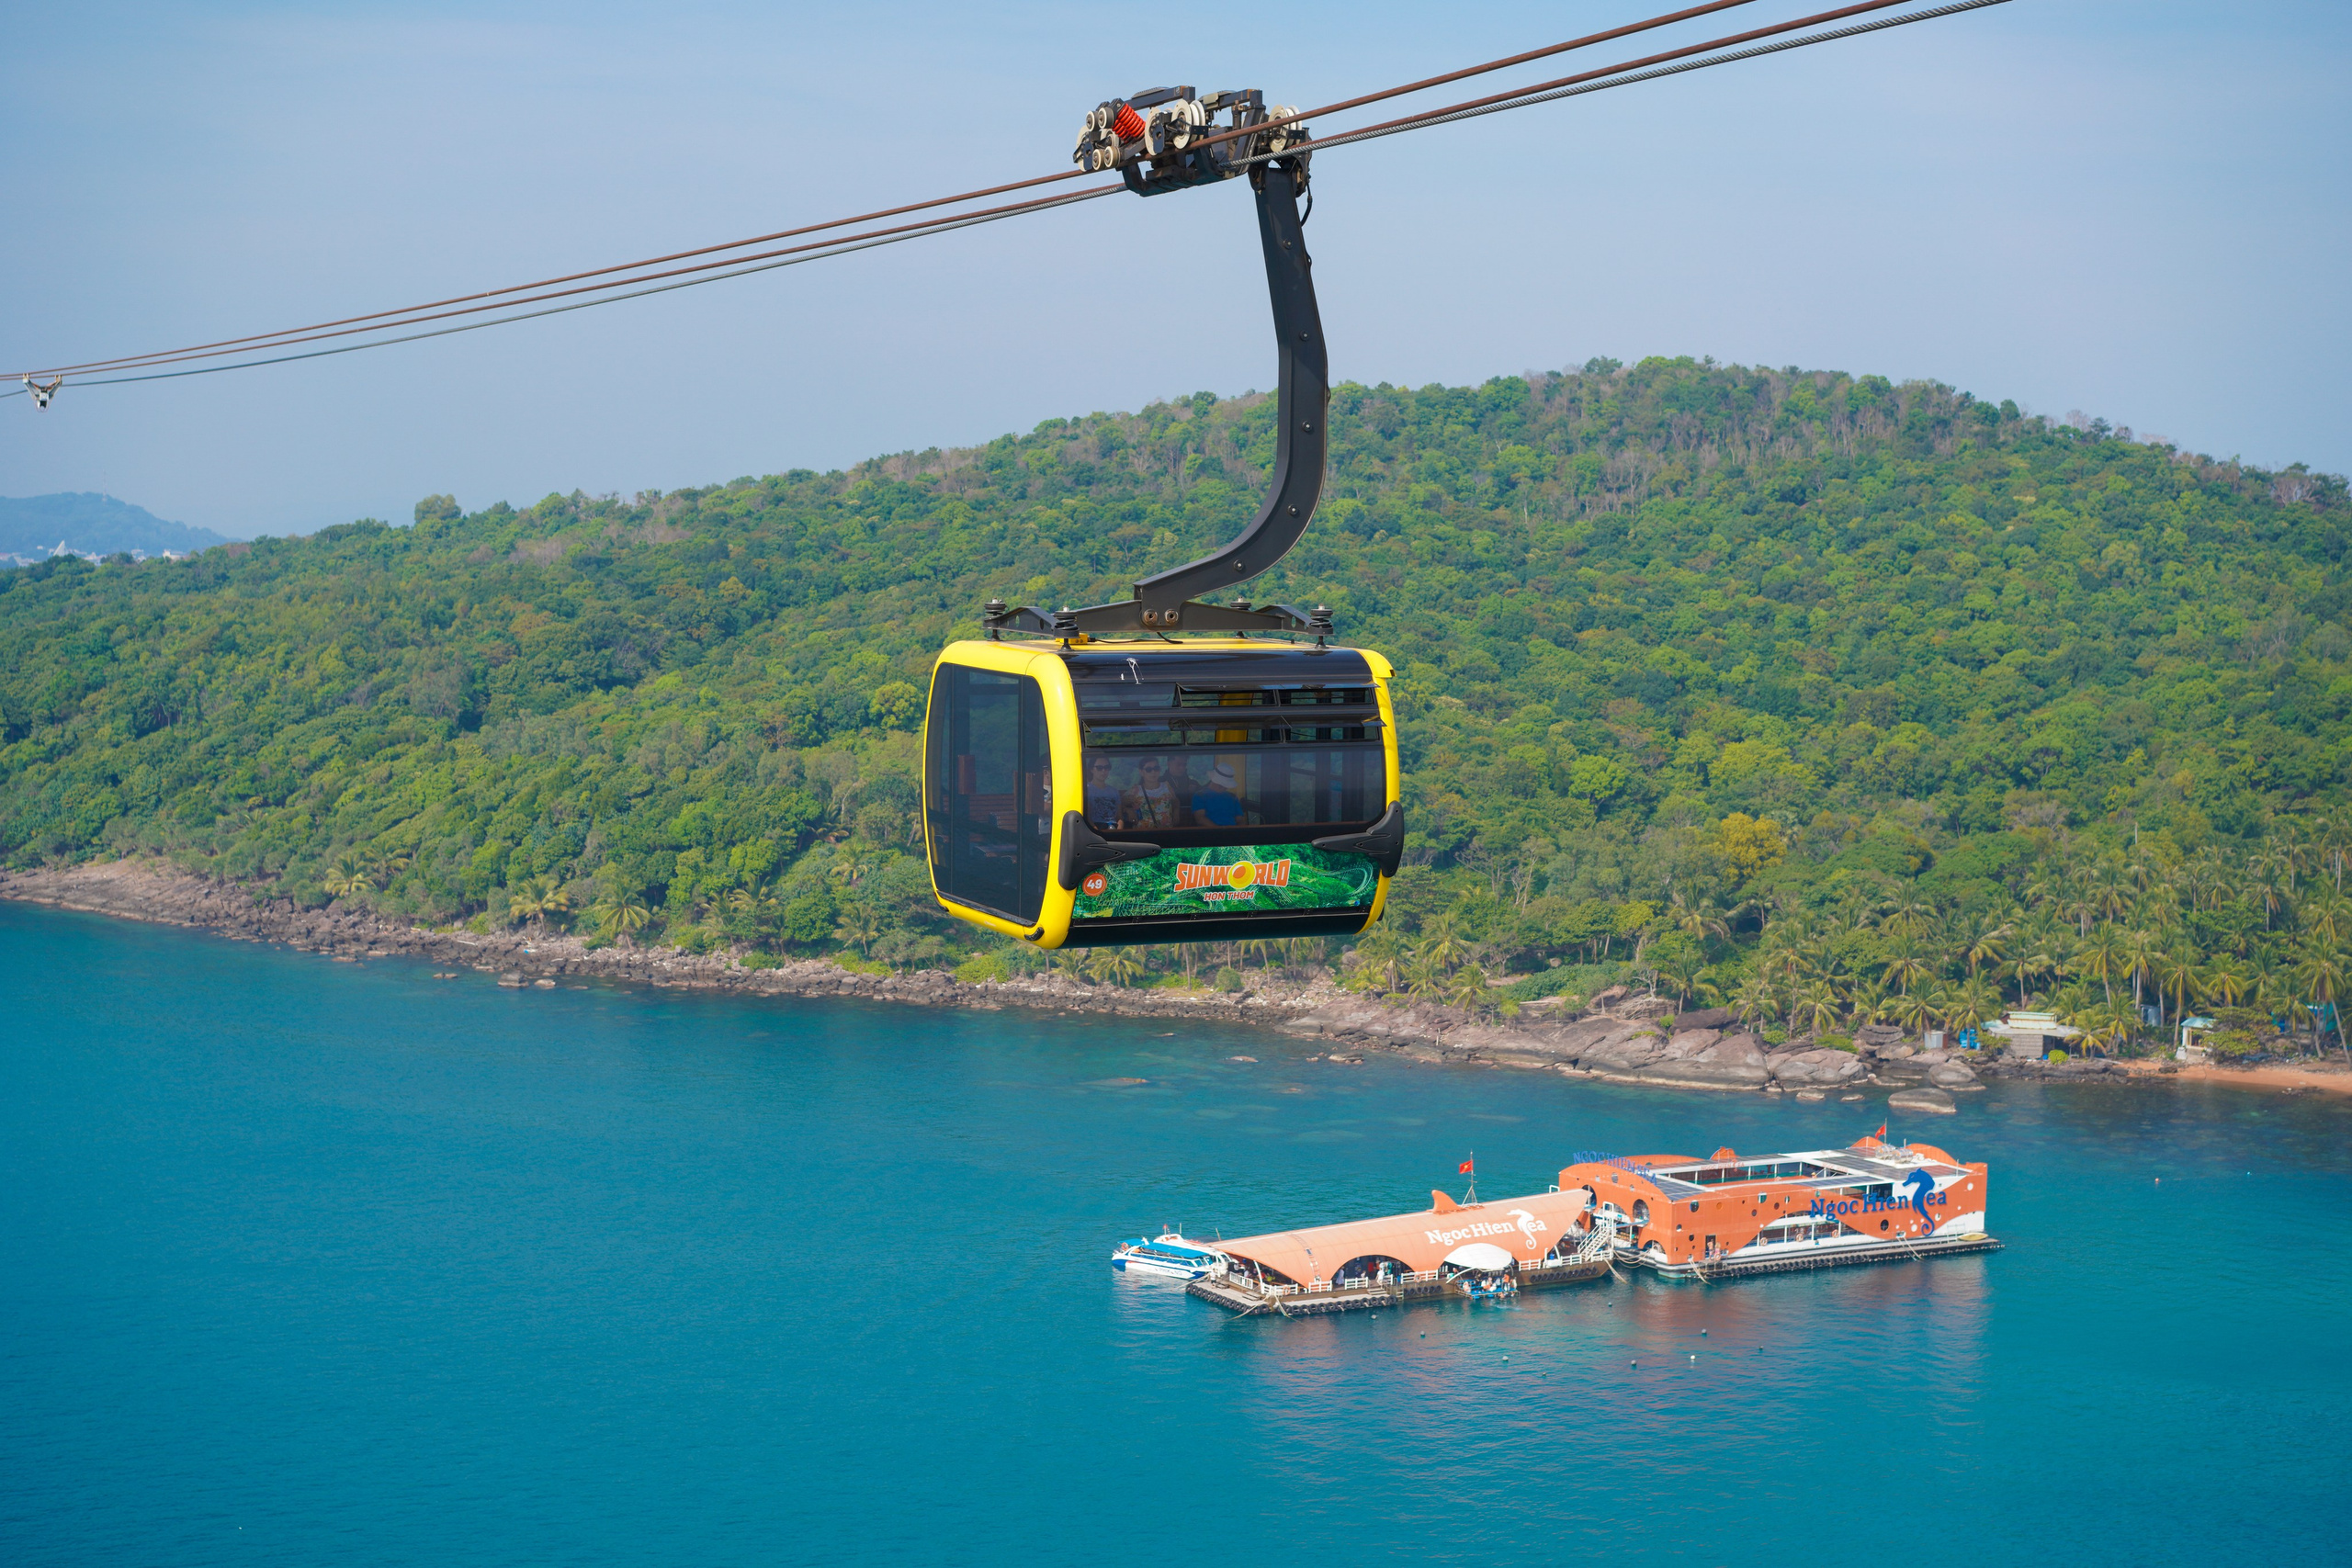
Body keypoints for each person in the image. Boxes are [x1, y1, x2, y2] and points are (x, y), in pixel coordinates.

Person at [1120, 756, 1181, 830]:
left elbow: (1175, 801)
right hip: (1142, 834)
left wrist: (1176, 812)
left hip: (1165, 832)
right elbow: (1119, 803)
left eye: (1156, 768)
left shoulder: (1167, 787)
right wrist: (1128, 810)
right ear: (1141, 772)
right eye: (1149, 769)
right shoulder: (1135, 790)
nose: (1153, 772)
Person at [1191, 761, 1243, 828]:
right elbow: (1200, 819)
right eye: (1221, 785)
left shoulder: (1232, 797)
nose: (1225, 787)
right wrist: (1219, 831)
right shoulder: (1200, 796)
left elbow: (1240, 820)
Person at [1084, 755, 1121, 829]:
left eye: (1107, 767)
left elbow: (1119, 818)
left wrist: (1119, 831)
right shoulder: (1086, 790)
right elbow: (1087, 817)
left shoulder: (1114, 791)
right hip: (1096, 827)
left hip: (1113, 827)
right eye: (1099, 768)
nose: (1103, 771)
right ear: (1091, 769)